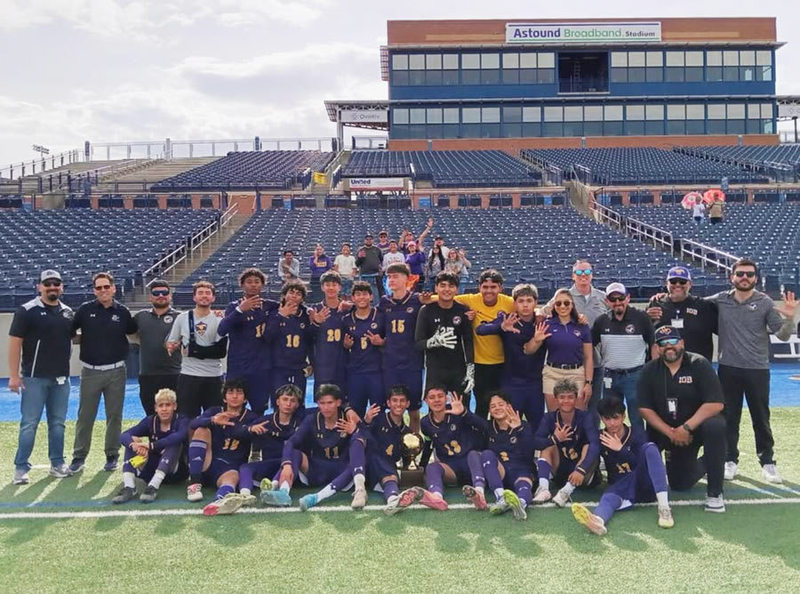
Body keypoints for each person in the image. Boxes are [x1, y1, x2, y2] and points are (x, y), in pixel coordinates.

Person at [706, 259, 797, 484]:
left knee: (761, 418)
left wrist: (790, 318)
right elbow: (692, 303)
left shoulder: (765, 302)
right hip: (728, 369)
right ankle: (730, 460)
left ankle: (767, 462)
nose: (744, 278)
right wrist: (662, 297)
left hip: (757, 369)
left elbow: (783, 335)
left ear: (755, 278)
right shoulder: (721, 299)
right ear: (732, 277)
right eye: (740, 274)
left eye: (749, 274)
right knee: (729, 417)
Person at [638, 326, 727, 512]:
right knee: (680, 483)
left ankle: (715, 493)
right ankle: (711, 460)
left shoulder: (699, 364)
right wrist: (671, 432)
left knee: (716, 426)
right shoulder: (649, 370)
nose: (669, 347)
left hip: (695, 428)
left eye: (672, 342)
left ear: (682, 343)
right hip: (666, 430)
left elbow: (716, 403)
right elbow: (644, 409)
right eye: (663, 343)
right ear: (657, 348)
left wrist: (685, 428)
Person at [571, 396, 673, 535]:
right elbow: (588, 455)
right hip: (620, 489)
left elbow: (639, 465)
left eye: (616, 418)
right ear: (601, 419)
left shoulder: (637, 433)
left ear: (624, 416)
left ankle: (664, 508)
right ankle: (598, 521)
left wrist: (621, 450)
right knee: (609, 496)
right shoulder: (601, 437)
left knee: (650, 448)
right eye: (607, 419)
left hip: (644, 486)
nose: (612, 423)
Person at [9, 269, 75, 484]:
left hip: (61, 379)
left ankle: (57, 463)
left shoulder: (68, 312)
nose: (52, 287)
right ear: (39, 287)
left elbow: (75, 338)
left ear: (62, 286)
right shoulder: (27, 310)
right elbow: (15, 344)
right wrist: (14, 376)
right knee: (29, 423)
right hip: (34, 378)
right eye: (48, 283)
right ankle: (21, 468)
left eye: (56, 283)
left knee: (58, 423)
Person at [70, 272, 138, 474]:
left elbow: (133, 332)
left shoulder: (123, 312)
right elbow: (70, 332)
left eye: (106, 287)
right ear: (94, 291)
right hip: (90, 371)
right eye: (98, 288)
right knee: (85, 416)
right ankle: (79, 457)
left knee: (114, 416)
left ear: (113, 288)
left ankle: (112, 455)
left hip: (117, 371)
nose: (102, 291)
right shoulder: (84, 310)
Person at [266, 384, 368, 511]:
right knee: (295, 453)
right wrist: (286, 465)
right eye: (322, 403)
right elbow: (292, 442)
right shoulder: (312, 419)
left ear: (338, 402)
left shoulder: (349, 418)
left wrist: (355, 430)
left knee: (358, 441)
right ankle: (283, 492)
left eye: (330, 403)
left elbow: (369, 439)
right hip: (318, 469)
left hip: (343, 471)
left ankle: (358, 490)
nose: (326, 407)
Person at [475, 283, 545, 429]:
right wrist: (500, 326)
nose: (525, 305)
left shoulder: (543, 323)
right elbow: (480, 329)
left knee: (537, 427)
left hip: (535, 383)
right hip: (511, 383)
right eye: (521, 301)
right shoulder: (508, 319)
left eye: (529, 301)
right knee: (510, 426)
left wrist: (580, 318)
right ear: (514, 303)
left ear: (535, 303)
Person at [186, 379, 257, 516]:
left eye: (239, 392)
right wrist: (213, 420)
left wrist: (247, 429)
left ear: (245, 398)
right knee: (201, 429)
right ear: (224, 397)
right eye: (230, 392)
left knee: (233, 477)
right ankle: (194, 484)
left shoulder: (252, 417)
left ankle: (218, 503)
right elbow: (193, 423)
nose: (235, 396)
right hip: (208, 462)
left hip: (229, 468)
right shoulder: (215, 411)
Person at [591, 282, 656, 429]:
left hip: (635, 376)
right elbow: (588, 345)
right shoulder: (601, 321)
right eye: (613, 299)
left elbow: (653, 345)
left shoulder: (642, 318)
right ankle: (614, 449)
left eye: (620, 298)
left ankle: (639, 449)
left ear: (628, 298)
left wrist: (654, 372)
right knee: (610, 417)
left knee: (637, 417)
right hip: (609, 376)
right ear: (607, 301)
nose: (617, 302)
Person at [410, 388, 488, 511]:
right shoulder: (425, 423)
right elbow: (428, 444)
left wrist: (465, 413)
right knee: (432, 467)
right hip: (452, 469)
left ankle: (479, 494)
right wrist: (422, 466)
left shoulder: (457, 412)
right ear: (426, 401)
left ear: (446, 398)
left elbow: (485, 427)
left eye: (440, 396)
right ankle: (437, 498)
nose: (436, 400)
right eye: (432, 397)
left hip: (472, 464)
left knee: (474, 454)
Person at [454, 269, 515, 418]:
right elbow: (443, 297)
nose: (489, 291)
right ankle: (480, 438)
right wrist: (422, 299)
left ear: (500, 288)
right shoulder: (471, 299)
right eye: (485, 287)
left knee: (501, 405)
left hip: (502, 364)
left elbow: (531, 309)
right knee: (482, 405)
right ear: (479, 287)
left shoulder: (509, 303)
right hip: (479, 363)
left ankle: (499, 438)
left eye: (493, 287)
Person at [111, 388, 189, 504]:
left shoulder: (182, 420)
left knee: (173, 443)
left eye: (168, 405)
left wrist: (151, 445)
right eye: (160, 405)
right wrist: (135, 445)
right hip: (151, 469)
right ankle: (129, 487)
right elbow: (124, 435)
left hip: (175, 472)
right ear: (155, 408)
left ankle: (153, 486)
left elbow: (179, 436)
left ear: (175, 406)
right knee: (132, 441)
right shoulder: (150, 421)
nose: (164, 409)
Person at [532, 379, 600, 508]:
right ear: (556, 399)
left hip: (583, 473)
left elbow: (595, 444)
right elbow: (535, 442)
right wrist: (555, 439)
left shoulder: (585, 417)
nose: (566, 401)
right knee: (548, 445)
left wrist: (581, 469)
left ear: (576, 398)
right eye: (562, 397)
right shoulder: (549, 418)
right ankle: (544, 489)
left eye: (570, 397)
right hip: (561, 471)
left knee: (589, 446)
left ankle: (566, 492)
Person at [218, 268, 277, 415]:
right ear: (242, 285)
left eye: (257, 282)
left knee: (259, 410)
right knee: (233, 410)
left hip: (261, 369)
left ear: (262, 285)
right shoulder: (233, 306)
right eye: (249, 282)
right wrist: (240, 310)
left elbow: (293, 303)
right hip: (238, 368)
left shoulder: (270, 306)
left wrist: (308, 312)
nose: (253, 285)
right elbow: (221, 330)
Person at [166, 281, 227, 419]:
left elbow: (220, 351)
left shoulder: (220, 319)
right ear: (194, 297)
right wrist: (172, 346)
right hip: (189, 376)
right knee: (187, 419)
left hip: (213, 376)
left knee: (214, 420)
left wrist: (194, 351)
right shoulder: (182, 318)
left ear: (213, 298)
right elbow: (171, 341)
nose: (204, 296)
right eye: (200, 293)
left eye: (207, 293)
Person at [525, 288, 593, 412]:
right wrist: (536, 340)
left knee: (578, 416)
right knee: (554, 416)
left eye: (566, 303)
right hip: (552, 373)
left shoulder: (582, 325)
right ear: (554, 306)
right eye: (558, 303)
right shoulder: (547, 324)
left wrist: (588, 382)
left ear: (572, 305)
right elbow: (528, 350)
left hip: (576, 373)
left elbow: (588, 357)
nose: (562, 306)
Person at [380, 263, 427, 433]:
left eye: (395, 276)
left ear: (407, 279)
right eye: (389, 276)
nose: (391, 280)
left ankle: (413, 448)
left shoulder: (417, 300)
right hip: (390, 364)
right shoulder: (384, 303)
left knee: (414, 411)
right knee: (393, 410)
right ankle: (393, 446)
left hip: (412, 364)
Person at [238, 384, 304, 498]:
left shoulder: (303, 422)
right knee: (245, 467)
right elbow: (238, 431)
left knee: (294, 456)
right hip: (270, 463)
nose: (288, 404)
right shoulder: (265, 421)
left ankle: (273, 488)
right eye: (285, 399)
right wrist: (250, 429)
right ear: (278, 402)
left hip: (291, 466)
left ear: (297, 404)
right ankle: (244, 495)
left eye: (292, 400)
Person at [415, 271, 474, 397]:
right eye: (443, 285)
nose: (447, 289)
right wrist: (433, 342)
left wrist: (470, 369)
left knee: (462, 410)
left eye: (451, 286)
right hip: (435, 371)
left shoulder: (463, 311)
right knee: (436, 412)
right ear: (436, 288)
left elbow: (468, 342)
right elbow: (418, 343)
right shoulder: (426, 311)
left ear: (457, 289)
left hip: (458, 370)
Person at [363, 385, 417, 515]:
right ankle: (393, 497)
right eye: (394, 400)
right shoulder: (377, 419)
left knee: (391, 476)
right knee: (377, 457)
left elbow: (406, 459)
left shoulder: (408, 433)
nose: (398, 404)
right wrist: (366, 422)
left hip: (387, 472)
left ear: (408, 403)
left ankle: (393, 499)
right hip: (368, 467)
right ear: (388, 403)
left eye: (402, 400)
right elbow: (360, 439)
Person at [482, 391, 535, 521]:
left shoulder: (524, 426)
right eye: (493, 406)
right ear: (489, 410)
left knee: (524, 484)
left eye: (501, 404)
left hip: (522, 470)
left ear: (509, 406)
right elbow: (471, 420)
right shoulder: (488, 427)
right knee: (486, 454)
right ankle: (500, 497)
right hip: (502, 473)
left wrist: (519, 429)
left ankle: (520, 505)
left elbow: (529, 454)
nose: (497, 408)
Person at [646, 266, 717, 361]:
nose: (678, 284)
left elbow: (723, 331)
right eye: (673, 281)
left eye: (682, 282)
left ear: (690, 284)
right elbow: (646, 333)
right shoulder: (655, 304)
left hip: (696, 365)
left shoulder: (704, 306)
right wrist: (646, 318)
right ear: (667, 283)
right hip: (665, 365)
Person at [133, 280, 181, 416]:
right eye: (156, 293)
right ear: (150, 297)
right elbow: (131, 334)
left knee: (177, 416)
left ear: (170, 295)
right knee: (152, 416)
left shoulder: (180, 317)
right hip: (148, 375)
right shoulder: (140, 317)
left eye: (165, 292)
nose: (161, 295)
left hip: (174, 374)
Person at [265, 280, 314, 404]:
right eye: (291, 292)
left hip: (298, 367)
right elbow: (267, 337)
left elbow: (310, 342)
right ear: (284, 294)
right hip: (278, 367)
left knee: (298, 402)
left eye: (298, 293)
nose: (294, 295)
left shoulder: (306, 315)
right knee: (279, 402)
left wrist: (311, 362)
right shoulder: (274, 313)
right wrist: (280, 316)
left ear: (302, 298)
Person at [343, 281, 386, 417]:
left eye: (365, 294)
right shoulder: (346, 320)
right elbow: (342, 347)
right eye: (358, 295)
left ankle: (378, 438)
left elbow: (391, 340)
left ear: (371, 297)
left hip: (376, 372)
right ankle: (358, 438)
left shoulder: (380, 316)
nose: (362, 297)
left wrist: (382, 341)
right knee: (356, 412)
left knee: (378, 411)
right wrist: (346, 346)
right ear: (353, 298)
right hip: (355, 373)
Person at [309, 271, 350, 392]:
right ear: (322, 287)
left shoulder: (347, 309)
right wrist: (316, 322)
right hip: (323, 364)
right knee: (324, 402)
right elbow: (308, 337)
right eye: (327, 285)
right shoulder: (315, 309)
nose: (331, 287)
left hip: (344, 362)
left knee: (343, 402)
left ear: (340, 287)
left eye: (334, 284)